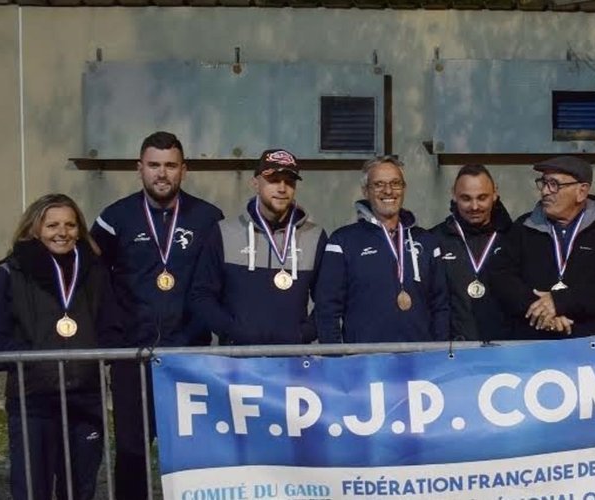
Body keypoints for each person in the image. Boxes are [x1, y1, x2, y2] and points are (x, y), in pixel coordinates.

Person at [91, 131, 223, 499]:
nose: (161, 173)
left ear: (184, 169)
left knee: (193, 450)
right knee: (132, 450)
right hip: (132, 356)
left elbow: (220, 283)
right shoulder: (114, 218)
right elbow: (92, 282)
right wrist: (111, 339)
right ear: (139, 168)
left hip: (189, 356)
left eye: (170, 165)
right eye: (153, 165)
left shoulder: (208, 218)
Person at [0, 193, 122, 500]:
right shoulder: (10, 273)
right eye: (52, 225)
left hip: (85, 401)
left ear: (79, 229)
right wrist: (31, 359)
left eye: (70, 224)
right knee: (31, 490)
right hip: (33, 402)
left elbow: (113, 328)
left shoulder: (95, 271)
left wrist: (94, 351)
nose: (62, 232)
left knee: (79, 490)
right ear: (35, 229)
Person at [190, 149, 327, 344]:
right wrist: (232, 332)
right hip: (237, 357)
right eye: (273, 180)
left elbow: (327, 300)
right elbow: (201, 294)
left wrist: (303, 334)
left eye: (289, 181)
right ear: (255, 183)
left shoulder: (314, 236)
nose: (282, 188)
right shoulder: (224, 232)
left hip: (293, 357)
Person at [491, 156, 595, 338]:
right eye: (543, 183)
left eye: (554, 184)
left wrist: (561, 302)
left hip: (592, 343)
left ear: (581, 191)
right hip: (534, 341)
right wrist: (540, 309)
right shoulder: (524, 227)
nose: (545, 191)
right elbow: (503, 278)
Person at [315, 155, 449, 343]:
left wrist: (439, 352)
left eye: (395, 183)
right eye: (378, 184)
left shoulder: (427, 242)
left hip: (419, 357)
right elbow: (327, 309)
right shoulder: (342, 241)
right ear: (365, 191)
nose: (388, 191)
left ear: (404, 188)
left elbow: (441, 306)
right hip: (365, 358)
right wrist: (335, 356)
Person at [431, 164, 514, 341]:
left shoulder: (513, 238)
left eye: (482, 198)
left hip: (505, 349)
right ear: (454, 195)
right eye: (466, 198)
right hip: (454, 349)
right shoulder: (435, 239)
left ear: (495, 194)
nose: (474, 206)